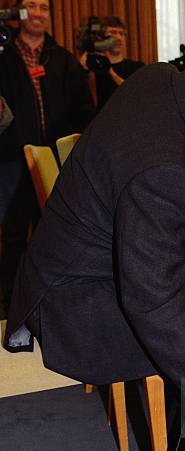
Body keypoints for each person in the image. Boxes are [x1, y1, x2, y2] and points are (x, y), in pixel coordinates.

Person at [5, 30, 185, 398]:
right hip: (73, 312)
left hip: (69, 274)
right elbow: (154, 301)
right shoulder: (164, 167)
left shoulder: (158, 79)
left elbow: (132, 184)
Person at [0, 0, 94, 311]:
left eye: (44, 7)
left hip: (54, 161)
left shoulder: (63, 59)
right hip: (11, 159)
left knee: (56, 236)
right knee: (12, 235)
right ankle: (12, 305)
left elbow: (84, 112)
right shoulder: (3, 56)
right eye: (31, 5)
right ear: (18, 12)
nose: (38, 13)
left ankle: (49, 305)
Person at [80, 16, 145, 111]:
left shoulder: (137, 67)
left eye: (121, 34)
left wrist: (110, 72)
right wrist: (84, 69)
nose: (118, 38)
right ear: (101, 39)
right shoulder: (94, 68)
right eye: (113, 33)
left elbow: (136, 96)